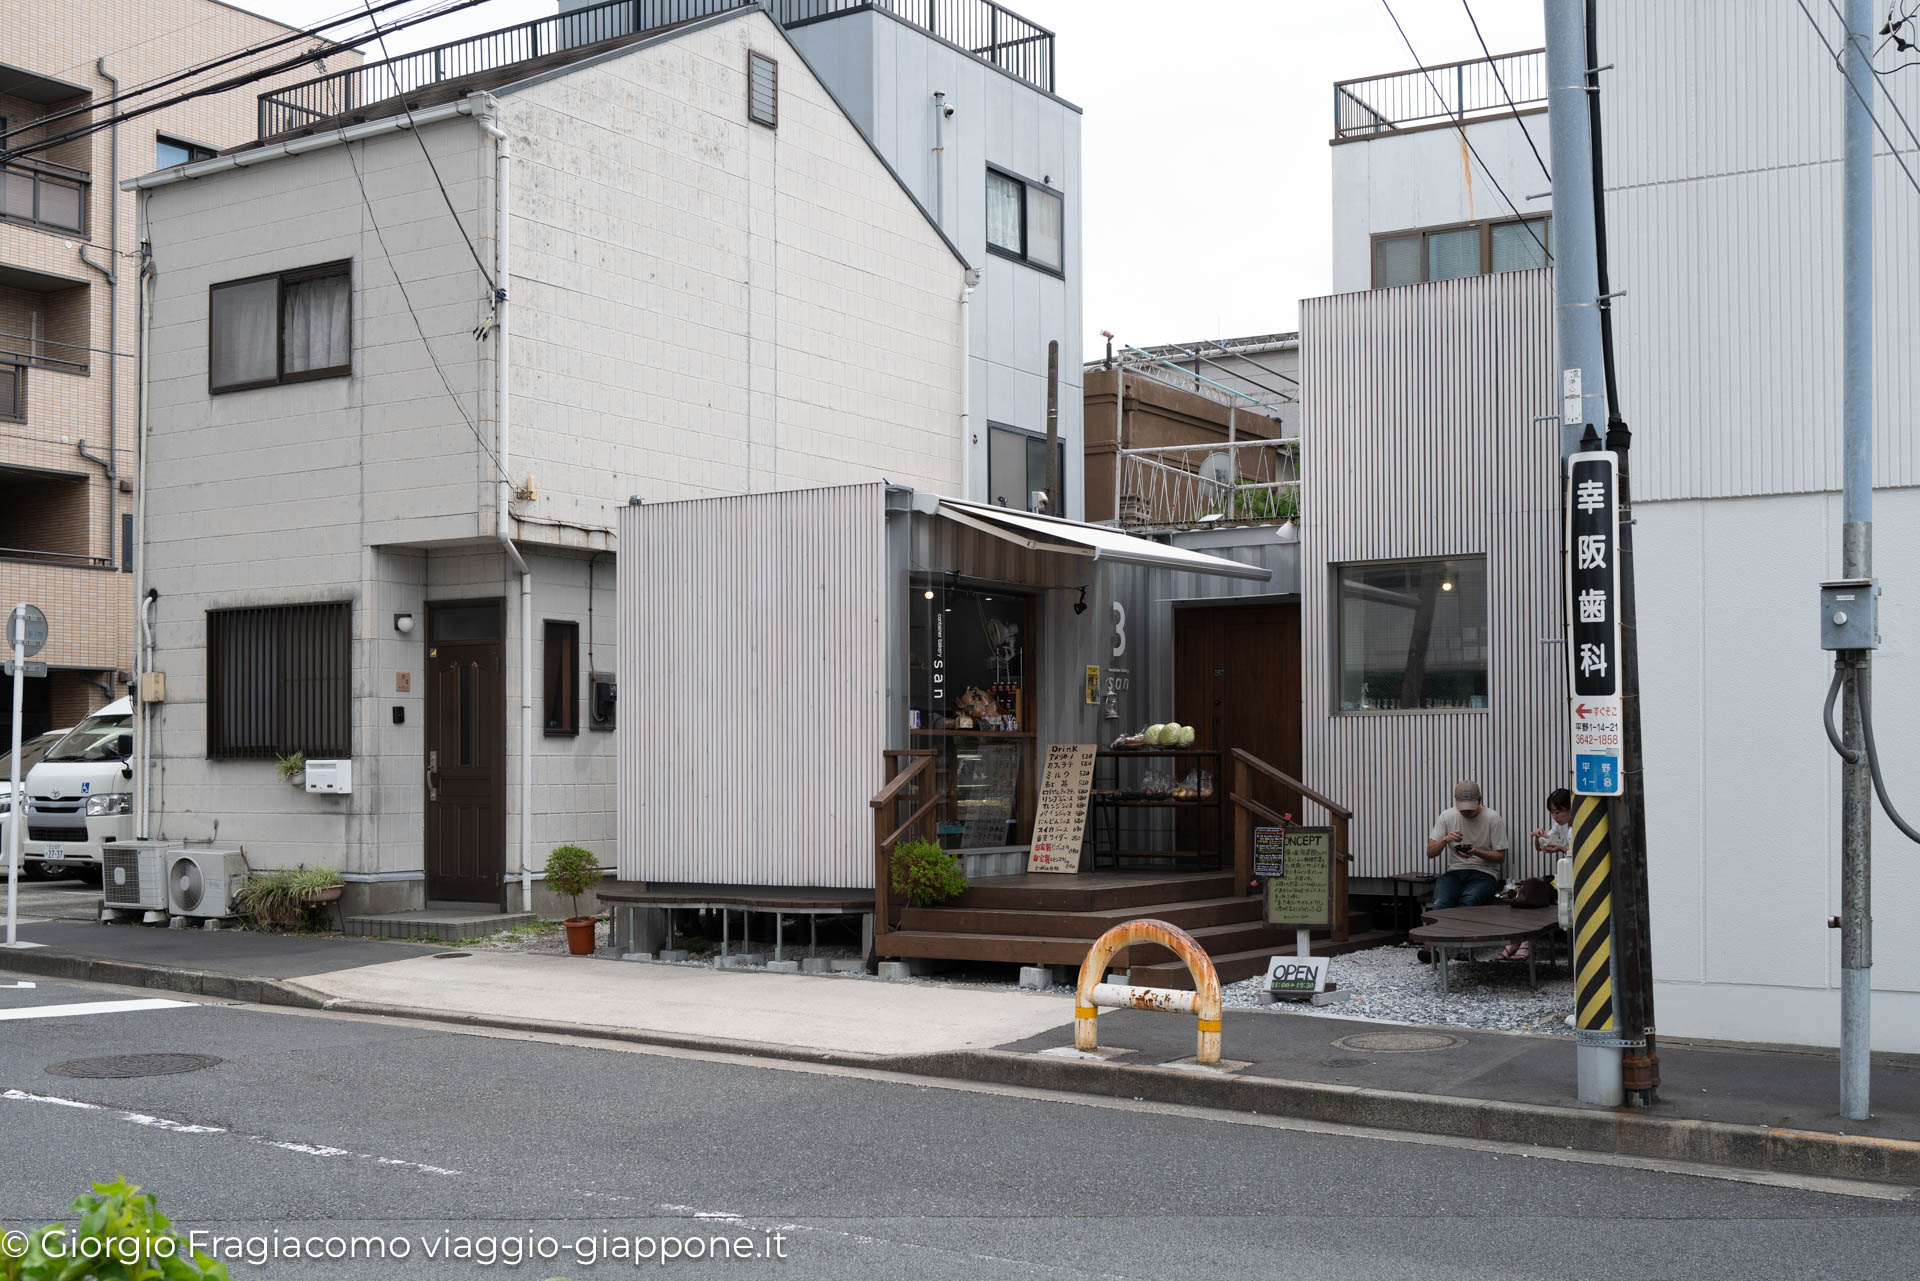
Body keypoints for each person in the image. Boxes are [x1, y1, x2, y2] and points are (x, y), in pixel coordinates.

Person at [1424, 780, 1509, 909]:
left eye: (1470, 808)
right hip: (1455, 872)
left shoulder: (1492, 817)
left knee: (1468, 902)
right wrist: (1445, 840)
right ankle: (1439, 929)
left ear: (1480, 800)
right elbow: (1430, 853)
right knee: (1440, 904)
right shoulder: (1446, 816)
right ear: (1455, 801)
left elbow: (1500, 857)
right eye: (1463, 809)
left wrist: (1476, 852)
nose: (1466, 812)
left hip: (1485, 873)